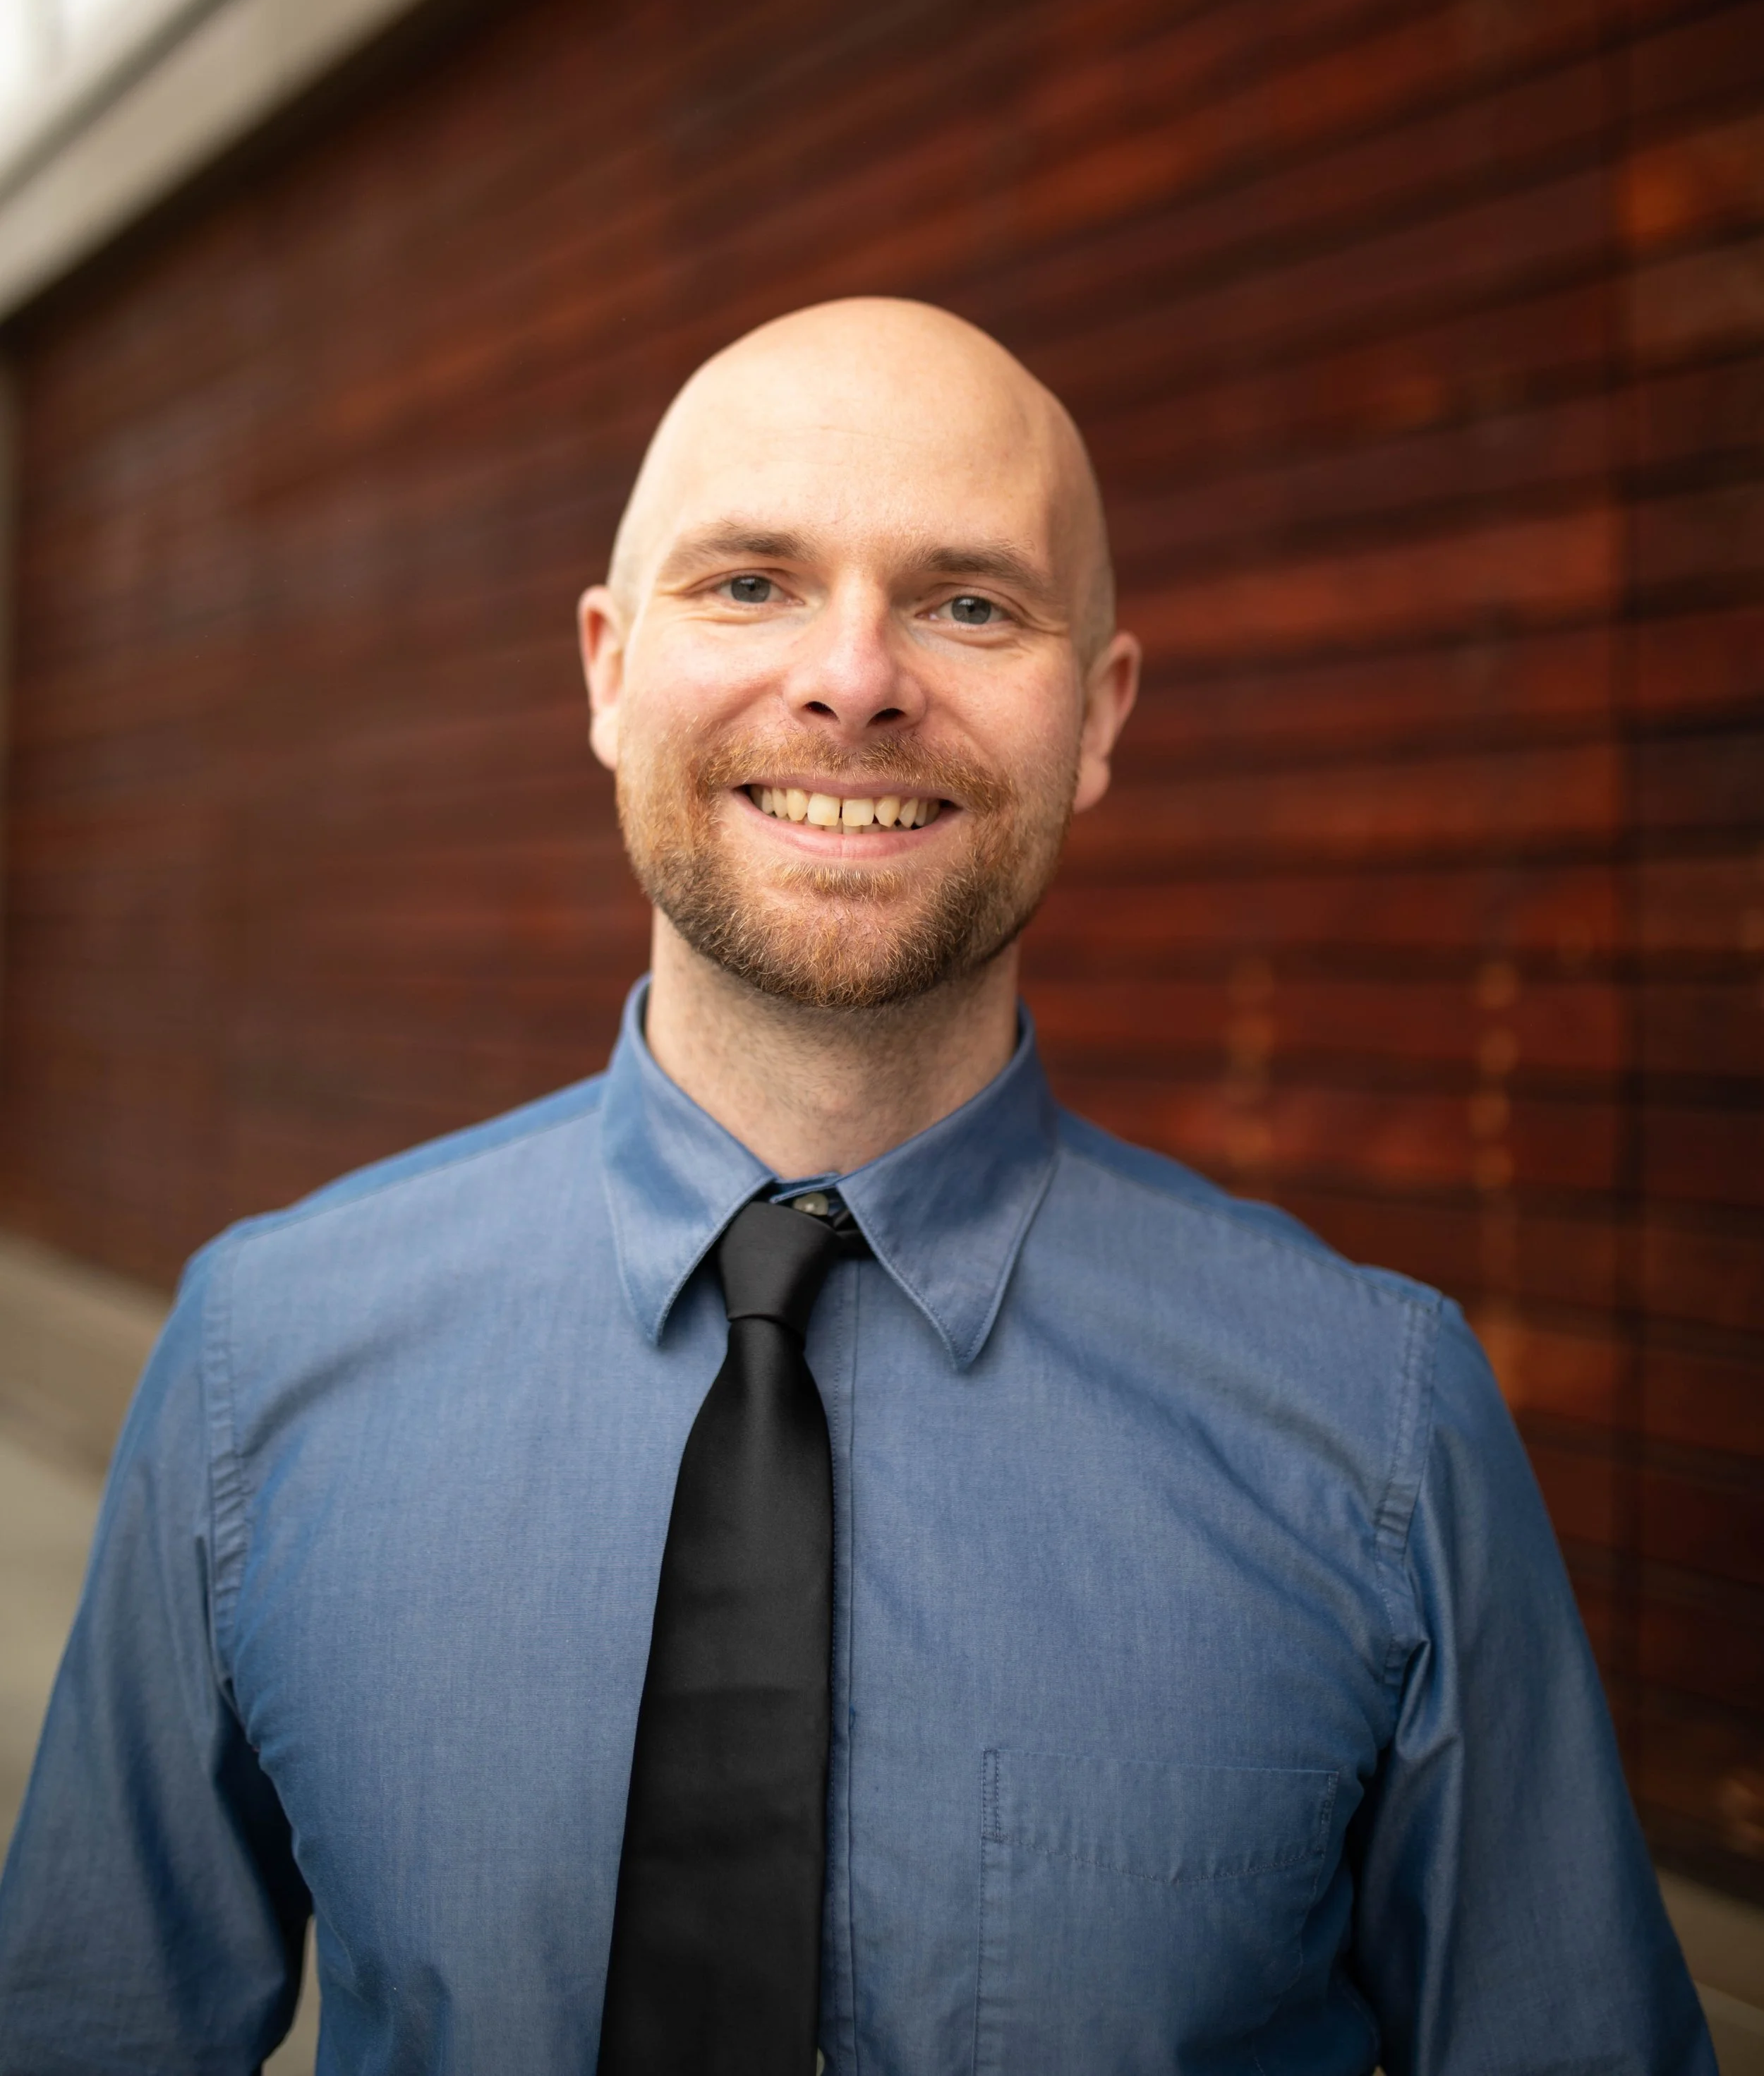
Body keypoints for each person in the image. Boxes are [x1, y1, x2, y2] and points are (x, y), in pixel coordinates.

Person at [0, 298, 1710, 2074]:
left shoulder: (1372, 1428)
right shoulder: (255, 1366)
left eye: (969, 602)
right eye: (748, 583)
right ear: (604, 669)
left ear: (1098, 716)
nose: (851, 678)